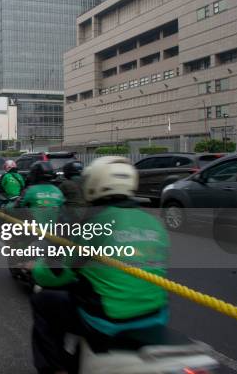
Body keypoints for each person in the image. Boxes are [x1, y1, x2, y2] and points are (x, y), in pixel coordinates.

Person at [28, 156, 169, 374]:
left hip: (108, 318)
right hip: (155, 314)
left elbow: (60, 272)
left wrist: (37, 271)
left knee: (42, 301)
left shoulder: (96, 223)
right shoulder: (154, 223)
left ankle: (53, 368)